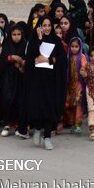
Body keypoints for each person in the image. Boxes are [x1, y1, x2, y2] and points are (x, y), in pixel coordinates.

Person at [25, 16, 66, 150]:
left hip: (51, 80)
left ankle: (47, 136)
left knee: (49, 106)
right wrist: (39, 39)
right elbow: (31, 55)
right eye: (44, 25)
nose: (47, 28)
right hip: (37, 79)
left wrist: (49, 60)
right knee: (37, 105)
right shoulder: (34, 39)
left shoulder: (56, 40)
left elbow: (62, 59)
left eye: (49, 25)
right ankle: (37, 129)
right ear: (40, 27)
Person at [0, 25, 27, 137]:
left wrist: (21, 63)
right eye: (14, 34)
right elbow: (2, 61)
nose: (16, 37)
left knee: (19, 101)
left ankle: (18, 125)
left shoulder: (25, 45)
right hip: (8, 79)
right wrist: (12, 57)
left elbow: (28, 60)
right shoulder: (7, 46)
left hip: (21, 78)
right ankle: (7, 124)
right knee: (7, 99)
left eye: (18, 34)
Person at [64, 37, 87, 134]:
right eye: (72, 46)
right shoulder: (68, 57)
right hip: (70, 84)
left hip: (79, 84)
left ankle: (78, 124)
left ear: (80, 47)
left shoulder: (82, 56)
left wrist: (82, 70)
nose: (74, 48)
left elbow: (84, 65)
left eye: (76, 46)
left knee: (78, 104)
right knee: (72, 104)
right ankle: (73, 123)